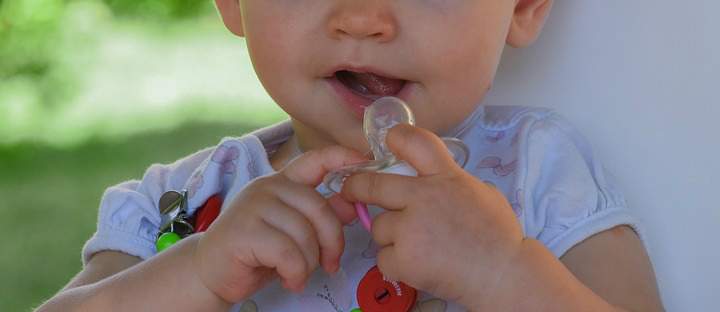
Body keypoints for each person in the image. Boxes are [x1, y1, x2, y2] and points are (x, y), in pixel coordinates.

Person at [37, 0, 665, 311]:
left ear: (524, 6)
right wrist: (197, 270)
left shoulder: (537, 173)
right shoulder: (184, 206)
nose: (363, 18)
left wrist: (505, 269)